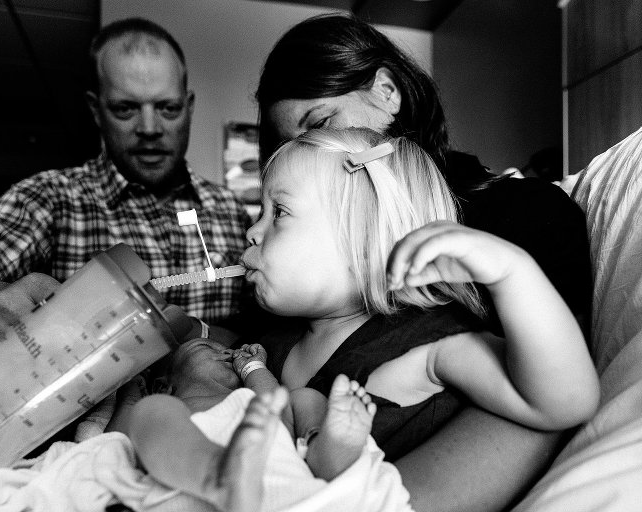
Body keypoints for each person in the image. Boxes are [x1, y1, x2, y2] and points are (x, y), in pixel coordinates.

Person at [108, 127, 597, 511]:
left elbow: (564, 402)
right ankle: (213, 475)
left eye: (277, 212)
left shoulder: (424, 346)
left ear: (364, 241)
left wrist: (511, 273)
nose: (252, 232)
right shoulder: (278, 341)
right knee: (153, 416)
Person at [254, 14, 593, 511]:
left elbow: (551, 399)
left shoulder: (518, 220)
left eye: (320, 126)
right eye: (291, 147)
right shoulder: (297, 312)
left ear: (388, 91)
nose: (311, 156)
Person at [0, 18, 251, 352]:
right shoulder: (52, 199)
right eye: (126, 108)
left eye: (168, 108)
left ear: (188, 107)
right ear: (96, 110)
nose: (151, 128)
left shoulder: (230, 210)